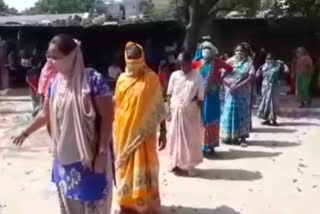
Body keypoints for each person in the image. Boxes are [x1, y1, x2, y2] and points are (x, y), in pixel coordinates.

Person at [13, 34, 114, 214]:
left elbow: (108, 117)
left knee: (94, 205)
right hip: (64, 159)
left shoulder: (93, 80)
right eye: (48, 56)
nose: (51, 61)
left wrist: (102, 153)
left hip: (90, 159)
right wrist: (25, 132)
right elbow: (46, 113)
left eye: (55, 57)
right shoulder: (55, 83)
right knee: (70, 206)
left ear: (71, 56)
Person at [113, 42, 166, 214]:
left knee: (145, 165)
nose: (134, 66)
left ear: (143, 59)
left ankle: (146, 204)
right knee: (125, 166)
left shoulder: (151, 79)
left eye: (138, 61)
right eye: (131, 61)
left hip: (145, 135)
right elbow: (118, 106)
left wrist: (163, 131)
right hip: (124, 132)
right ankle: (127, 203)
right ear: (126, 60)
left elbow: (158, 108)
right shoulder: (121, 80)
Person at [167, 52, 204, 176]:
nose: (181, 66)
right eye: (179, 63)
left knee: (190, 139)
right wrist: (168, 111)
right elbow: (169, 93)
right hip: (175, 111)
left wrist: (200, 115)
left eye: (184, 63)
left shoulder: (197, 76)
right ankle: (175, 164)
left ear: (190, 63)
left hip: (190, 112)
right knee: (174, 138)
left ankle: (189, 165)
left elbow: (200, 98)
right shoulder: (174, 75)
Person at [193, 41, 233, 155]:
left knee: (211, 118)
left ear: (212, 51)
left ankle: (211, 146)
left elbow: (230, 69)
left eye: (208, 49)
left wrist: (220, 79)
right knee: (200, 119)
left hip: (212, 95)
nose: (206, 51)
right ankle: (200, 146)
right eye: (204, 49)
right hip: (199, 95)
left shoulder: (217, 62)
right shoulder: (196, 63)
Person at [221, 43, 255, 146]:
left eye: (241, 51)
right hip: (230, 91)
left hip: (243, 93)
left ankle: (243, 137)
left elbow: (251, 76)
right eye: (237, 50)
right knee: (230, 112)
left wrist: (238, 85)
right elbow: (222, 75)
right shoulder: (229, 62)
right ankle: (230, 136)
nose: (239, 53)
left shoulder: (249, 63)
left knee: (242, 114)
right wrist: (230, 84)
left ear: (245, 52)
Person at [256, 53, 282, 126]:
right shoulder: (264, 66)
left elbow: (274, 73)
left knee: (272, 103)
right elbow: (258, 75)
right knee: (265, 102)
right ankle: (266, 119)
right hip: (265, 86)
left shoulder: (277, 65)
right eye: (267, 58)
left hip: (273, 86)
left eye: (270, 59)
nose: (268, 60)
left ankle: (273, 119)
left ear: (274, 59)